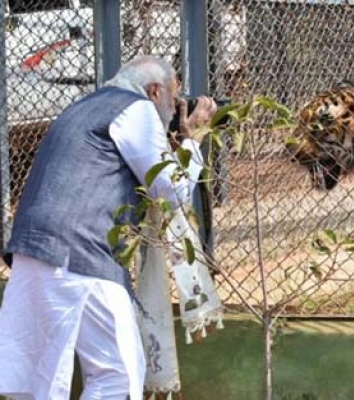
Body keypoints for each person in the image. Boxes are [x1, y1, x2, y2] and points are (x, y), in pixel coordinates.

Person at [0, 55, 217, 400]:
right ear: (154, 91)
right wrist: (193, 139)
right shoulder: (137, 108)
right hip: (81, 254)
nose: (174, 109)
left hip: (33, 252)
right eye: (173, 100)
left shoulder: (82, 106)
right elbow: (171, 189)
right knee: (119, 375)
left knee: (39, 385)